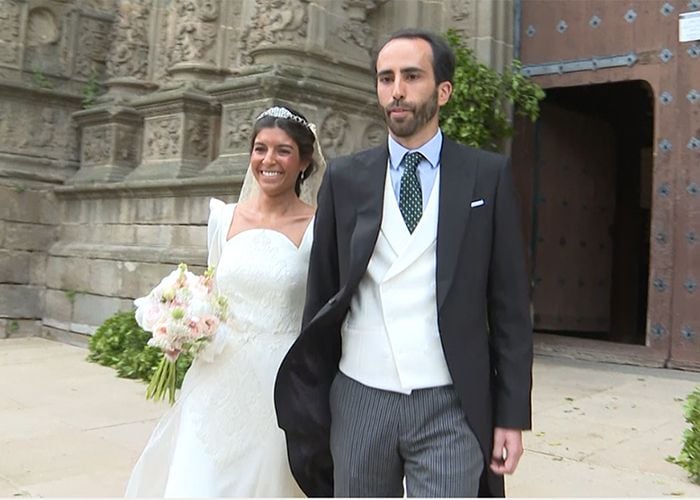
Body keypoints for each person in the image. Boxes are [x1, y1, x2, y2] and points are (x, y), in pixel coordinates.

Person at [274, 28, 533, 497]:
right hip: (360, 395)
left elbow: (510, 306)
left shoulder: (486, 175)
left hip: (450, 401)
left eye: (412, 76)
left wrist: (511, 416)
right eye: (385, 78)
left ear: (443, 90)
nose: (396, 90)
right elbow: (323, 295)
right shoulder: (346, 179)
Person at [125, 105, 325, 497]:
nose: (269, 160)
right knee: (199, 478)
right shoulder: (223, 218)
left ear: (304, 161)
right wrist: (185, 320)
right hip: (216, 375)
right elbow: (211, 287)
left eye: (283, 150)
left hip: (278, 383)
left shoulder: (320, 226)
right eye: (260, 148)